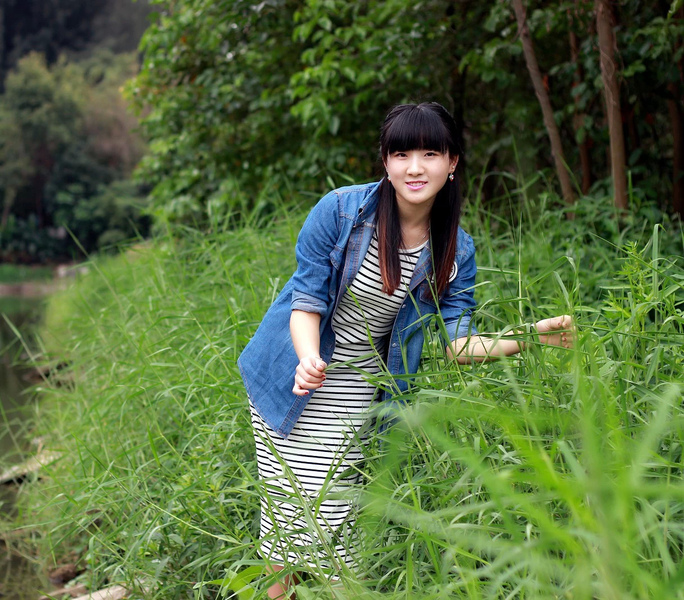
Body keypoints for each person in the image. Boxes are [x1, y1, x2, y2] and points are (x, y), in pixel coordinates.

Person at [237, 102, 573, 599]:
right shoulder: (341, 212)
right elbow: (306, 299)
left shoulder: (456, 250)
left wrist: (527, 339)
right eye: (402, 154)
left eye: (430, 153)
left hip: (359, 383)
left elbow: (457, 344)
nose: (415, 167)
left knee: (335, 514)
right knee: (289, 512)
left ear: (453, 162)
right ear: (386, 162)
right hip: (293, 367)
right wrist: (308, 356)